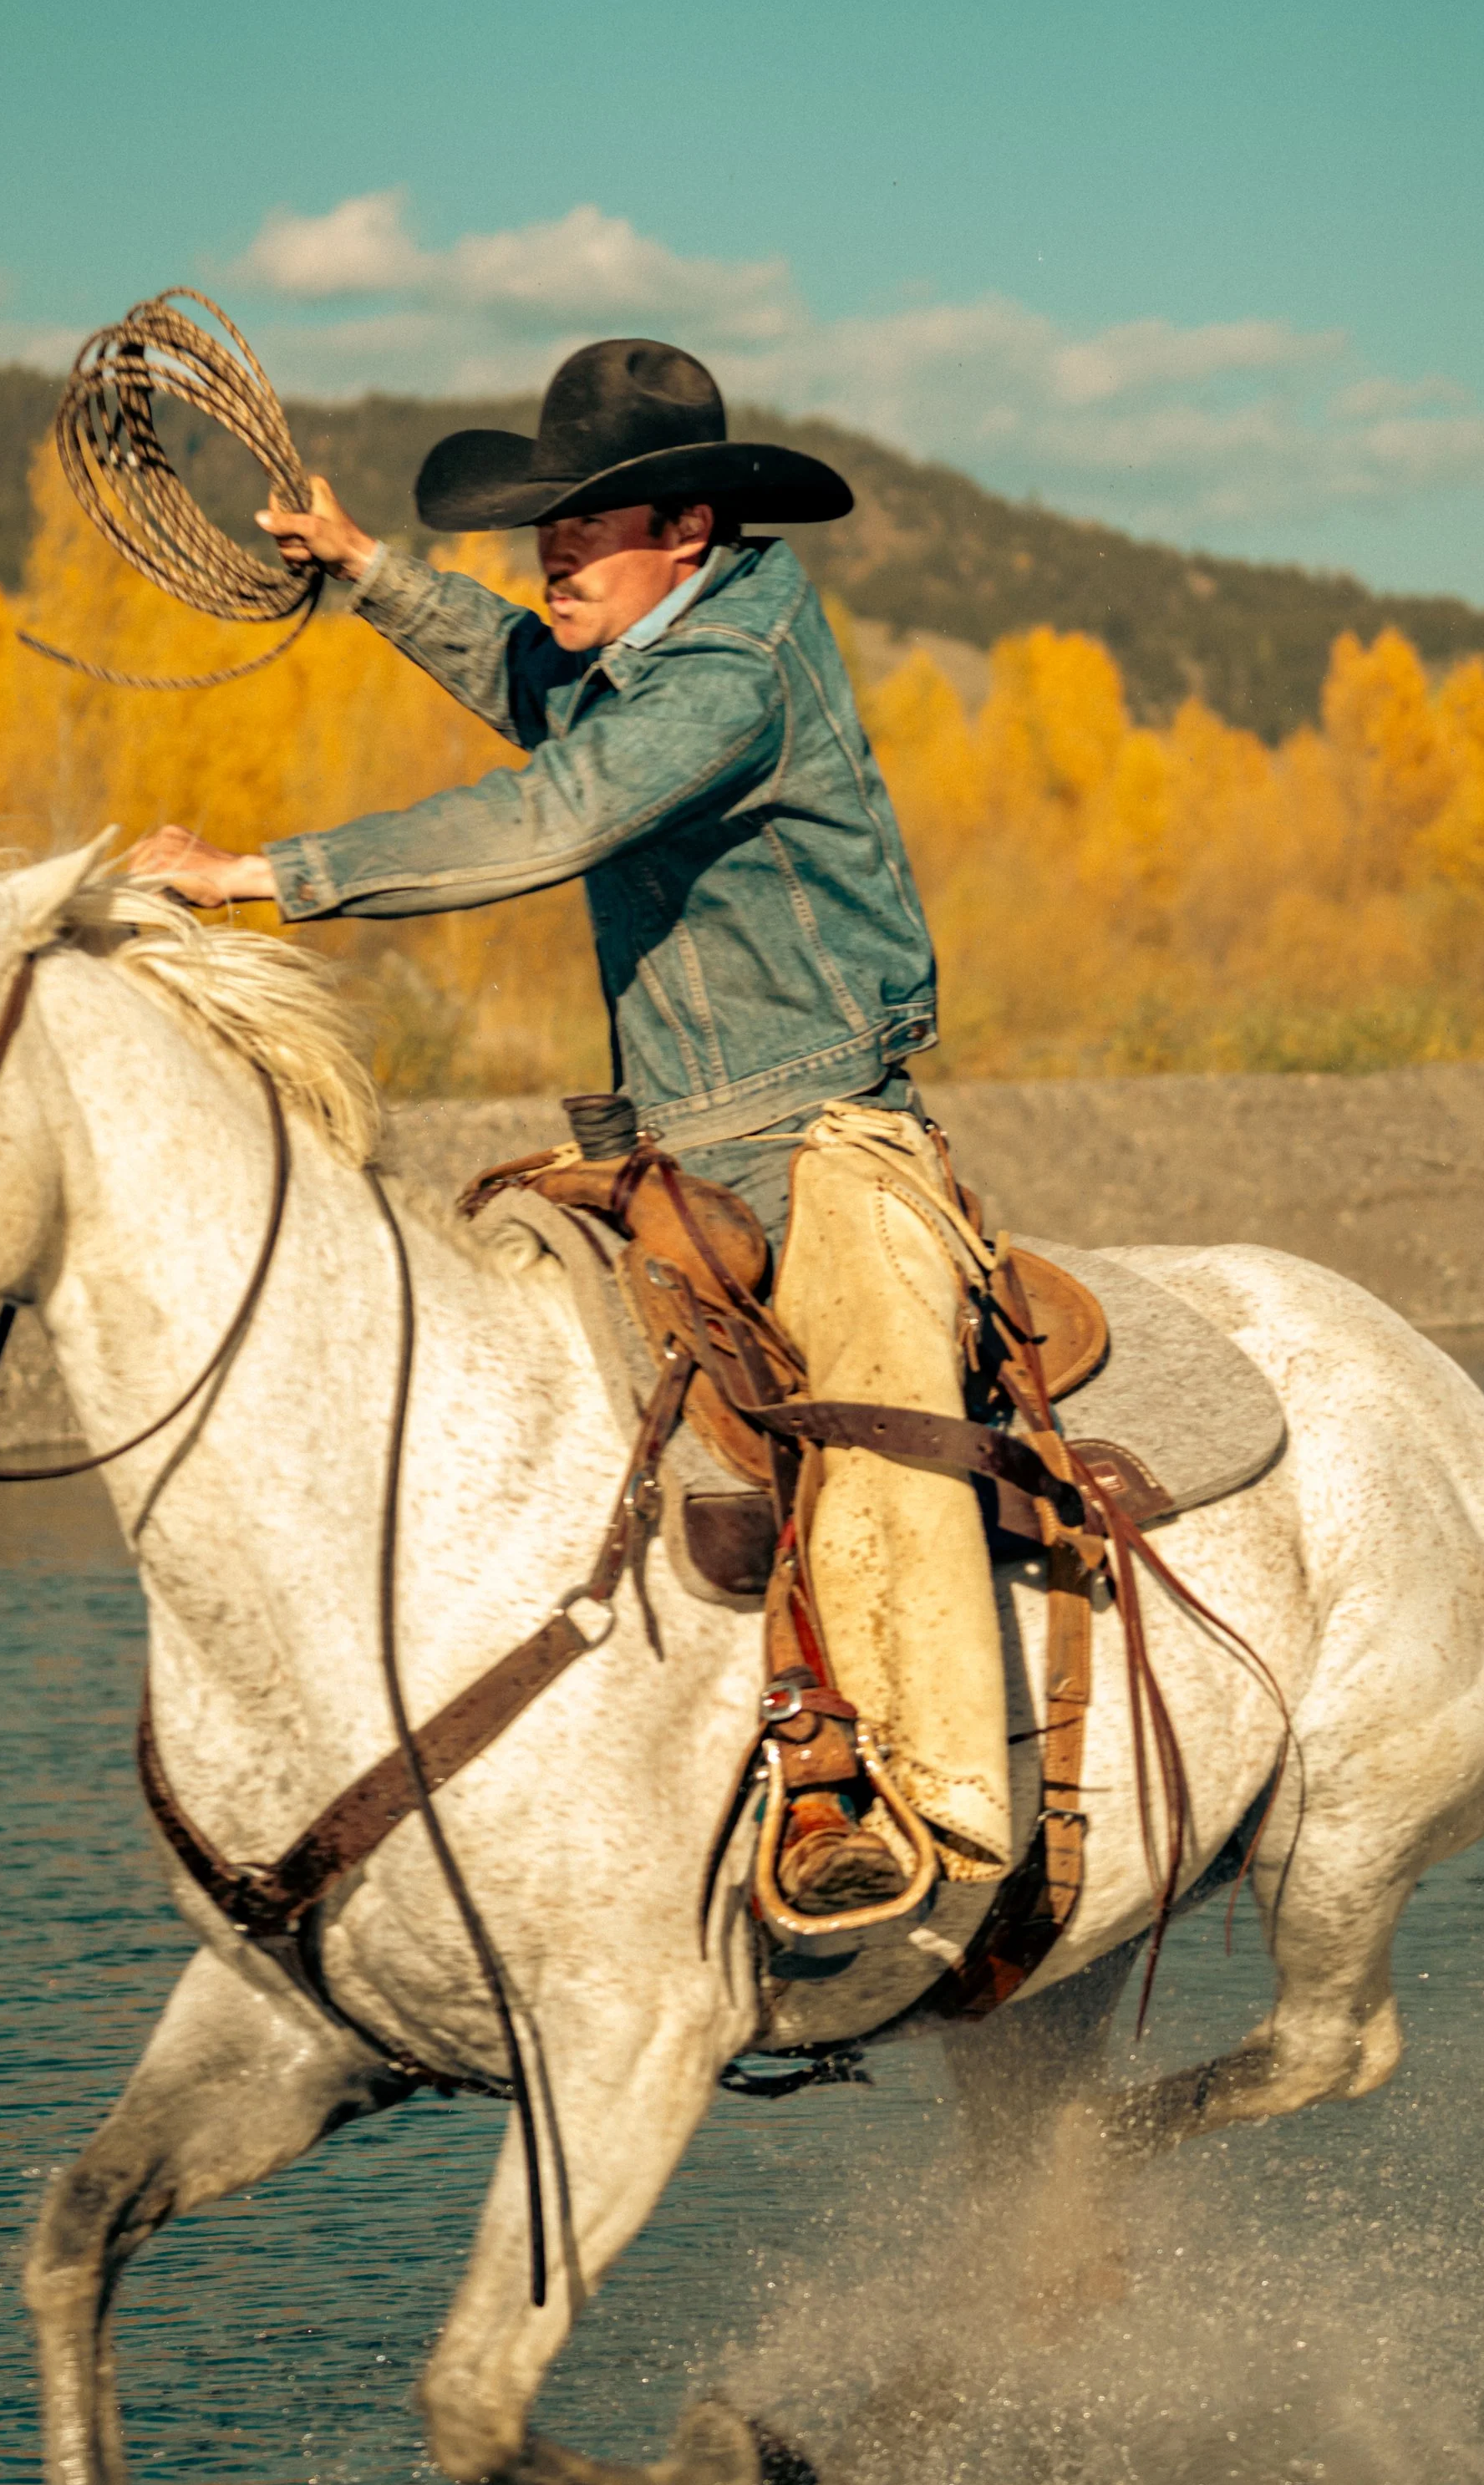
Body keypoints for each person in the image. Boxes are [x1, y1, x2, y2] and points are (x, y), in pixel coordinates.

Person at [134, 339, 1012, 1912]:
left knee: (881, 1444)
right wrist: (368, 572)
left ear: (684, 529)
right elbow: (540, 692)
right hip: (674, 1139)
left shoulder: (730, 678)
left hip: (817, 1137)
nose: (550, 544)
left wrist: (255, 877)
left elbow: (556, 809)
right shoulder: (658, 650)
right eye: (547, 516)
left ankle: (922, 1808)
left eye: (585, 520)